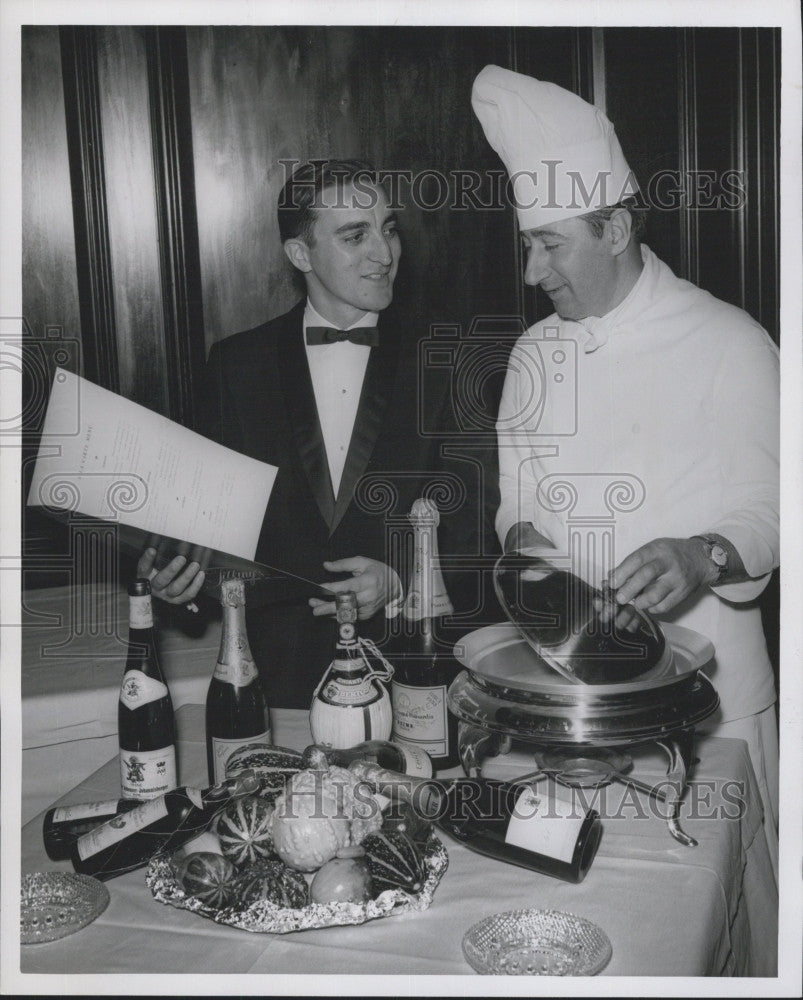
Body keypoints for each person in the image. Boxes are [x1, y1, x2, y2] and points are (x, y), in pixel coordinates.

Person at [471, 65, 780, 873]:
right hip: (570, 703)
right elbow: (516, 497)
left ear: (613, 228)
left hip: (708, 711)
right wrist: (527, 539)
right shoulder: (530, 352)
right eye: (528, 246)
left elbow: (777, 504)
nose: (535, 272)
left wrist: (699, 554)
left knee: (721, 911)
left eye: (550, 245)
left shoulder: (729, 341)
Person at [139, 159, 496, 708]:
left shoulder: (448, 360)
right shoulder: (237, 364)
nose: (384, 253)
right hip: (279, 676)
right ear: (300, 254)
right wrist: (176, 580)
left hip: (417, 672)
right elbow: (206, 524)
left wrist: (402, 579)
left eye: (389, 228)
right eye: (356, 235)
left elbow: (478, 522)